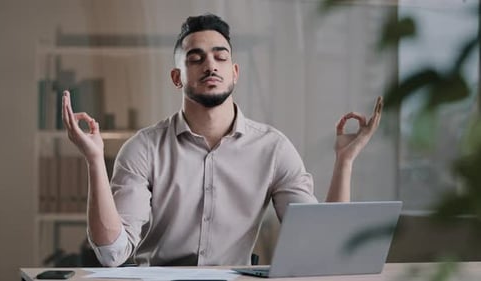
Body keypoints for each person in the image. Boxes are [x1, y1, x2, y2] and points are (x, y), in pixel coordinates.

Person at [61, 13, 383, 267]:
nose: (210, 65)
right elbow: (111, 254)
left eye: (220, 56)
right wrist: (94, 160)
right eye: (195, 58)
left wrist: (345, 162)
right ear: (177, 77)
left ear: (235, 72)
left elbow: (321, 246)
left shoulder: (273, 148)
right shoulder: (143, 149)